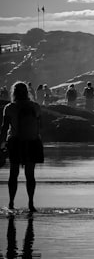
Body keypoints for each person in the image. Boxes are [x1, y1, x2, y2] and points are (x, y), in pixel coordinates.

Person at [1, 82, 44, 212]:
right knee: (30, 175)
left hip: (15, 142)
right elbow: (40, 126)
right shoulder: (35, 107)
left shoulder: (9, 108)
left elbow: (4, 128)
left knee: (13, 174)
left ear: (13, 93)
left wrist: (1, 143)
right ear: (27, 92)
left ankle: (11, 203)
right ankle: (31, 203)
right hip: (32, 142)